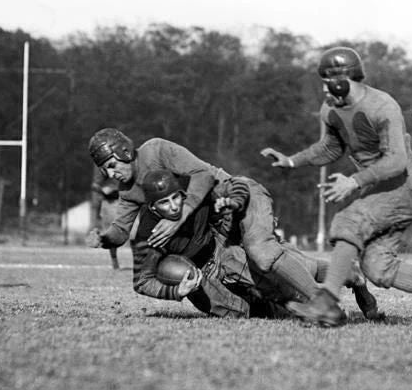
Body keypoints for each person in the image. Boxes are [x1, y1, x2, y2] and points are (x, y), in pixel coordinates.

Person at [260, 45, 412, 328]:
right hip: (379, 190)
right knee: (377, 267)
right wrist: (292, 161)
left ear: (344, 78)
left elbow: (397, 161)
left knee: (349, 220)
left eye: (327, 81)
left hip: (405, 187)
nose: (324, 88)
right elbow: (330, 148)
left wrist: (354, 181)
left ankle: (326, 303)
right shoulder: (330, 110)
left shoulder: (383, 107)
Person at [87, 127, 324, 307]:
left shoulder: (156, 150)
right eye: (104, 170)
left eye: (111, 164)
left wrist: (178, 219)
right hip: (217, 224)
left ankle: (324, 304)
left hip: (237, 199)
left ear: (124, 152)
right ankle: (346, 276)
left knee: (263, 257)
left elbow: (203, 175)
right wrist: (103, 238)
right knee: (258, 278)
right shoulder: (128, 191)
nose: (110, 173)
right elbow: (120, 230)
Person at [130, 169, 376, 319]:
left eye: (176, 198)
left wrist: (237, 207)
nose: (174, 206)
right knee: (243, 312)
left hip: (223, 250)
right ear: (152, 207)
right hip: (198, 277)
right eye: (165, 203)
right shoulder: (147, 233)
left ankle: (351, 274)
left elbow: (238, 183)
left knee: (292, 278)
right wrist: (175, 291)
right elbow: (142, 281)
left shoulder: (196, 192)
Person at [89, 166, 122, 270]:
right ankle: (114, 261)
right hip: (109, 203)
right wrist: (104, 191)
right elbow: (94, 185)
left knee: (134, 233)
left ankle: (138, 261)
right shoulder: (104, 170)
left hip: (124, 202)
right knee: (111, 233)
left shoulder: (125, 164)